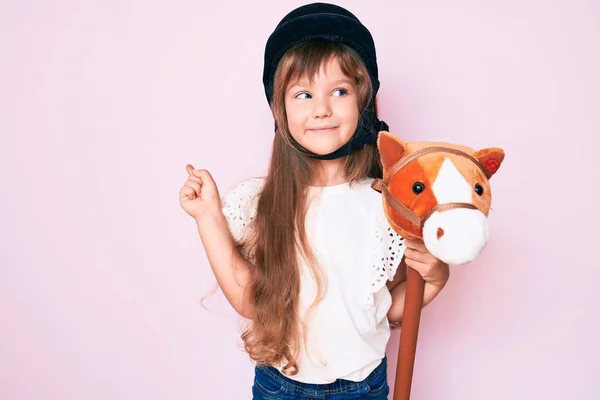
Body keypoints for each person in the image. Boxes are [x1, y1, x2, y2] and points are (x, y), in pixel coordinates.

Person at [179, 3, 449, 399]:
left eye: (339, 91)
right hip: (280, 387)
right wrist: (208, 217)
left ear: (363, 101)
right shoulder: (260, 202)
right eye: (303, 93)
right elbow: (251, 300)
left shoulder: (385, 204)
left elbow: (387, 310)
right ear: (280, 109)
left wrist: (435, 277)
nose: (322, 108)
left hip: (362, 387)